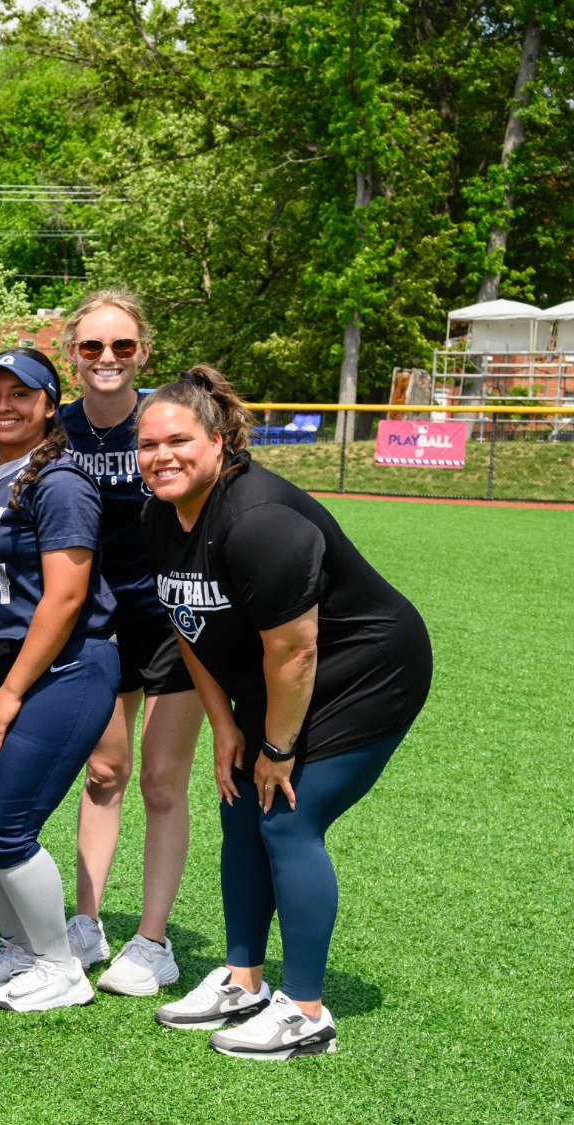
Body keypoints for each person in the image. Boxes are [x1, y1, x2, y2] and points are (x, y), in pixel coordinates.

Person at [140, 367, 430, 1059]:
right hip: (284, 674)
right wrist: (226, 725)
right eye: (147, 444)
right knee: (239, 804)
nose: (161, 456)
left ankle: (306, 1013)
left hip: (366, 670)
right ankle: (243, 979)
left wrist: (277, 745)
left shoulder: (259, 520)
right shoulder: (159, 512)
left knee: (288, 815)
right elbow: (187, 618)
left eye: (178, 440)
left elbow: (296, 652)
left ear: (218, 441)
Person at [0, 347, 119, 1013]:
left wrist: (11, 688)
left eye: (22, 393)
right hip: (2, 666)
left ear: (51, 403)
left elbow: (65, 598)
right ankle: (21, 943)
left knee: (5, 819)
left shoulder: (62, 480)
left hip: (65, 667)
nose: (4, 405)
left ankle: (60, 965)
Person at [56, 290, 207, 995]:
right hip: (94, 621)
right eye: (92, 347)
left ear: (143, 351)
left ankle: (153, 940)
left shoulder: (167, 422)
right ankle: (85, 922)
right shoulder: (53, 429)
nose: (107, 358)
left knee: (162, 779)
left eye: (122, 346)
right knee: (104, 774)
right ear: (72, 353)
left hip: (175, 622)